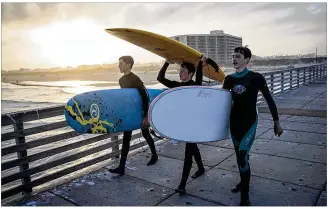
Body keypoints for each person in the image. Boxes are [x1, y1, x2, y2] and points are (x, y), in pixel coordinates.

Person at [222, 46, 284, 206]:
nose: (234, 59)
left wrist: (276, 122)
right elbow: (221, 105)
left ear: (247, 60)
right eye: (233, 56)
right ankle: (244, 181)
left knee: (242, 157)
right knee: (240, 157)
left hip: (249, 122)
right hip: (234, 124)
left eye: (238, 56)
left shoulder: (256, 78)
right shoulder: (229, 80)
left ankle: (245, 197)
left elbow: (270, 100)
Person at [157, 54, 219, 194]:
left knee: (188, 152)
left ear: (190, 73)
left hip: (194, 124)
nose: (180, 73)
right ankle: (201, 168)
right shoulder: (177, 85)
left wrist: (201, 64)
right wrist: (167, 62)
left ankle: (182, 185)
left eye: (183, 71)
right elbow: (160, 78)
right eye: (179, 70)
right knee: (192, 147)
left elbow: (198, 79)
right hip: (184, 123)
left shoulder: (194, 86)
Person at [109, 56, 158, 175]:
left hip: (140, 111)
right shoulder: (121, 80)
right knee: (126, 138)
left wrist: (146, 116)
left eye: (121, 63)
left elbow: (144, 97)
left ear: (128, 64)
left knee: (146, 134)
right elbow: (125, 98)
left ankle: (154, 155)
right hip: (129, 113)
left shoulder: (135, 79)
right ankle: (121, 167)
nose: (119, 65)